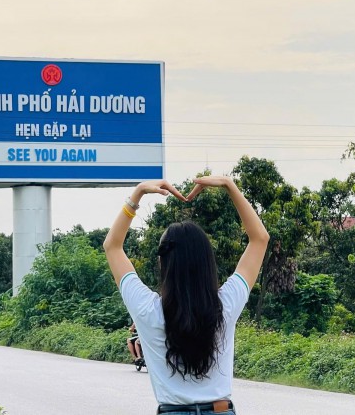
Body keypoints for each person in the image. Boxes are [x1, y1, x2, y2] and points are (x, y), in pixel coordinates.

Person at [103, 176, 269, 415]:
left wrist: (137, 194)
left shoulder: (147, 309)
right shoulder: (226, 304)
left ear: (163, 264)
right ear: (208, 262)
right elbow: (260, 239)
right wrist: (230, 186)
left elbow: (112, 246)